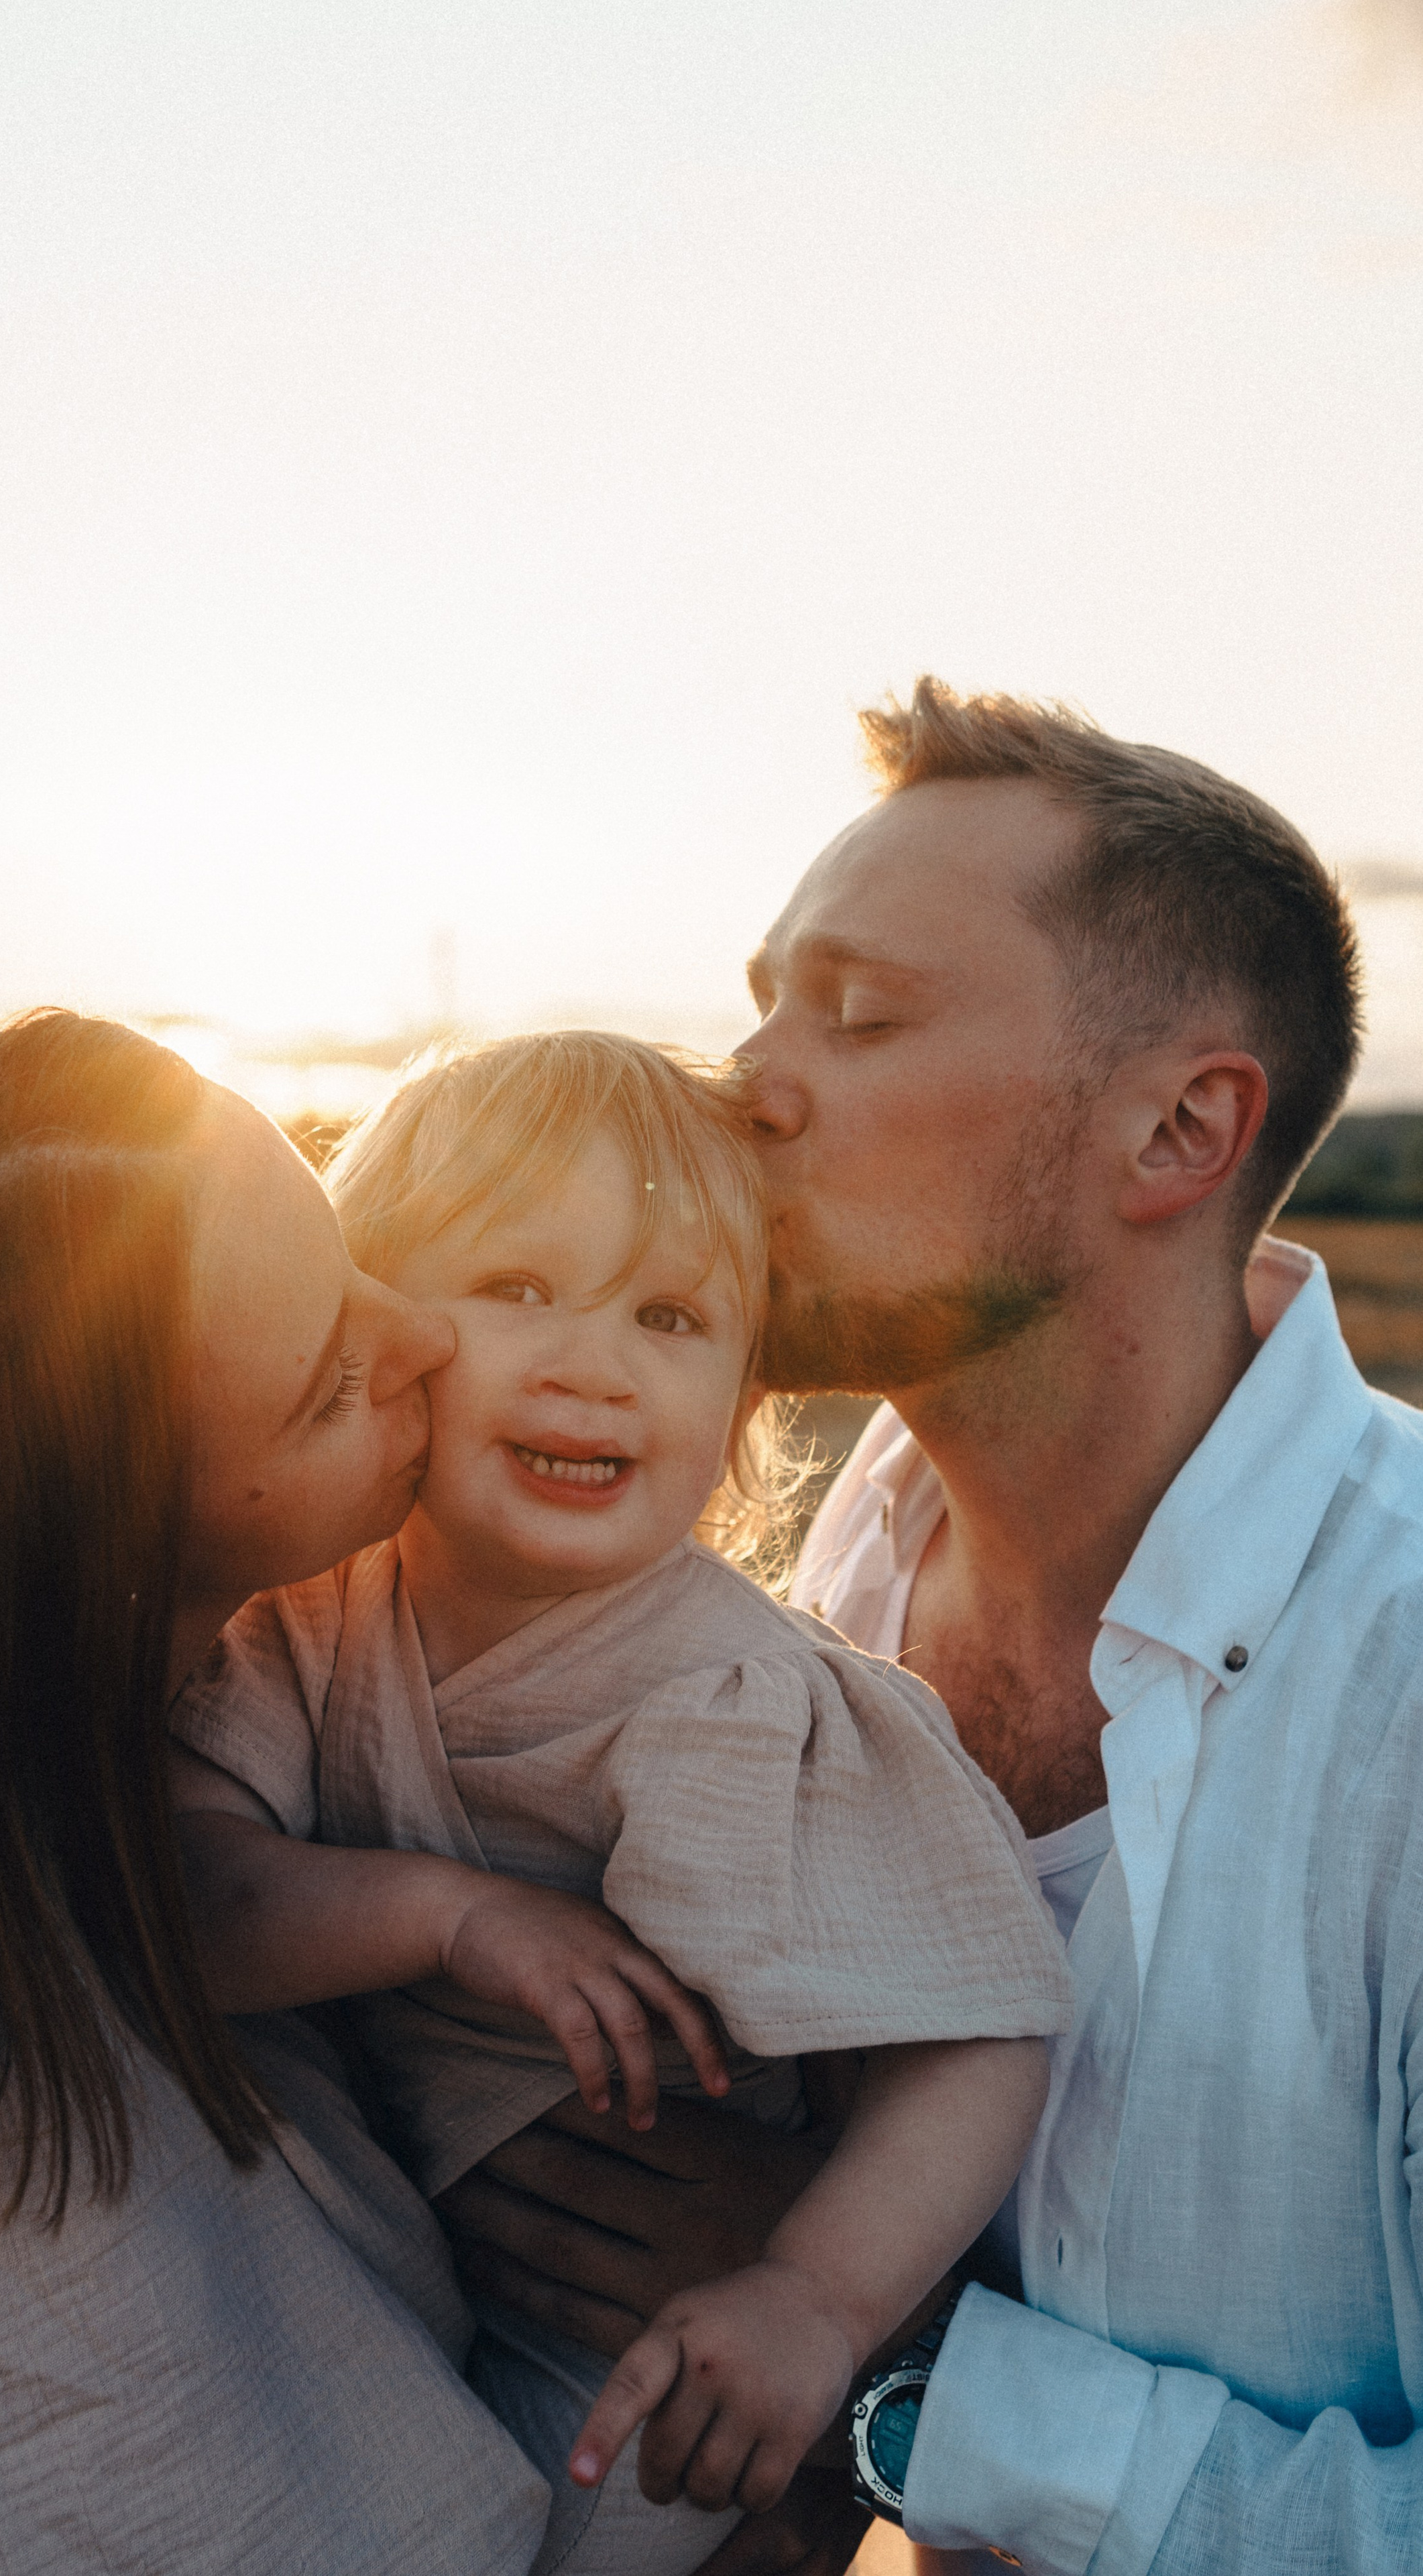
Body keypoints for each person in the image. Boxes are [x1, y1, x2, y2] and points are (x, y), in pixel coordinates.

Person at [443, 680, 1423, 2575]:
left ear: (1177, 1128)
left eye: (861, 1014)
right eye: (763, 998)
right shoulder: (811, 1602)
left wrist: (901, 2380)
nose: (744, 1080)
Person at [0, 1006, 610, 2575]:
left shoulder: (170, 1742)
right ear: (80, 1568)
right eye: (330, 1386)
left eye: (345, 1256)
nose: (429, 1338)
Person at [168, 1029, 1070, 2574]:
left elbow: (978, 2029)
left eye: (668, 1315)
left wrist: (816, 2296)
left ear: (735, 1409)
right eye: (518, 1288)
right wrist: (445, 1916)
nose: (593, 1361)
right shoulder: (310, 1615)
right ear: (375, 1331)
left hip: (640, 2329)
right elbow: (186, 1897)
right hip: (375, 2251)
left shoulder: (732, 1696)